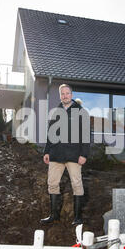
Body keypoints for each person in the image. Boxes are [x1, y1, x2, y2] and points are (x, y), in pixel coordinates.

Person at [41, 84, 90, 225]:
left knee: (77, 184)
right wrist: (46, 151)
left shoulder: (81, 112)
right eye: (62, 93)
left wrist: (84, 154)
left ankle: (78, 218)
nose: (65, 96)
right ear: (60, 95)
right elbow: (51, 133)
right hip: (56, 154)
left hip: (74, 155)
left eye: (67, 93)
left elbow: (86, 135)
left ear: (72, 95)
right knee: (52, 183)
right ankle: (54, 215)